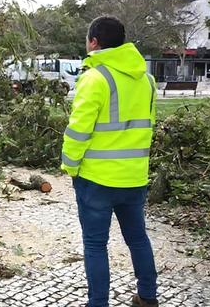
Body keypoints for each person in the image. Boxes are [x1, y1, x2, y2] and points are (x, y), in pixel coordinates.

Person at [60, 16, 158, 307]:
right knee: (138, 239)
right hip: (134, 178)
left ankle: (98, 303)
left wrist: (70, 166)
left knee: (95, 245)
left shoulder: (94, 78)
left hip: (96, 180)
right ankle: (148, 297)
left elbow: (78, 131)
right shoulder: (147, 80)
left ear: (93, 42)